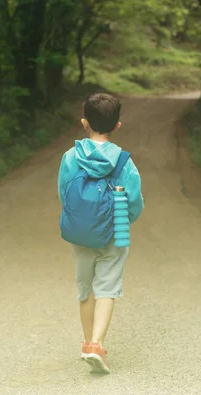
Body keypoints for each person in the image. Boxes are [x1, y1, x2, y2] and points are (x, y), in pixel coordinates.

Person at [57, 93, 144, 374]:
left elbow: (63, 193)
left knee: (85, 289)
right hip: (115, 230)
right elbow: (134, 201)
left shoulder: (71, 157)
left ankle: (86, 343)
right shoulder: (124, 162)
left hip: (81, 232)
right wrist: (126, 219)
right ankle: (97, 344)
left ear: (84, 123)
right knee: (107, 288)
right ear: (117, 126)